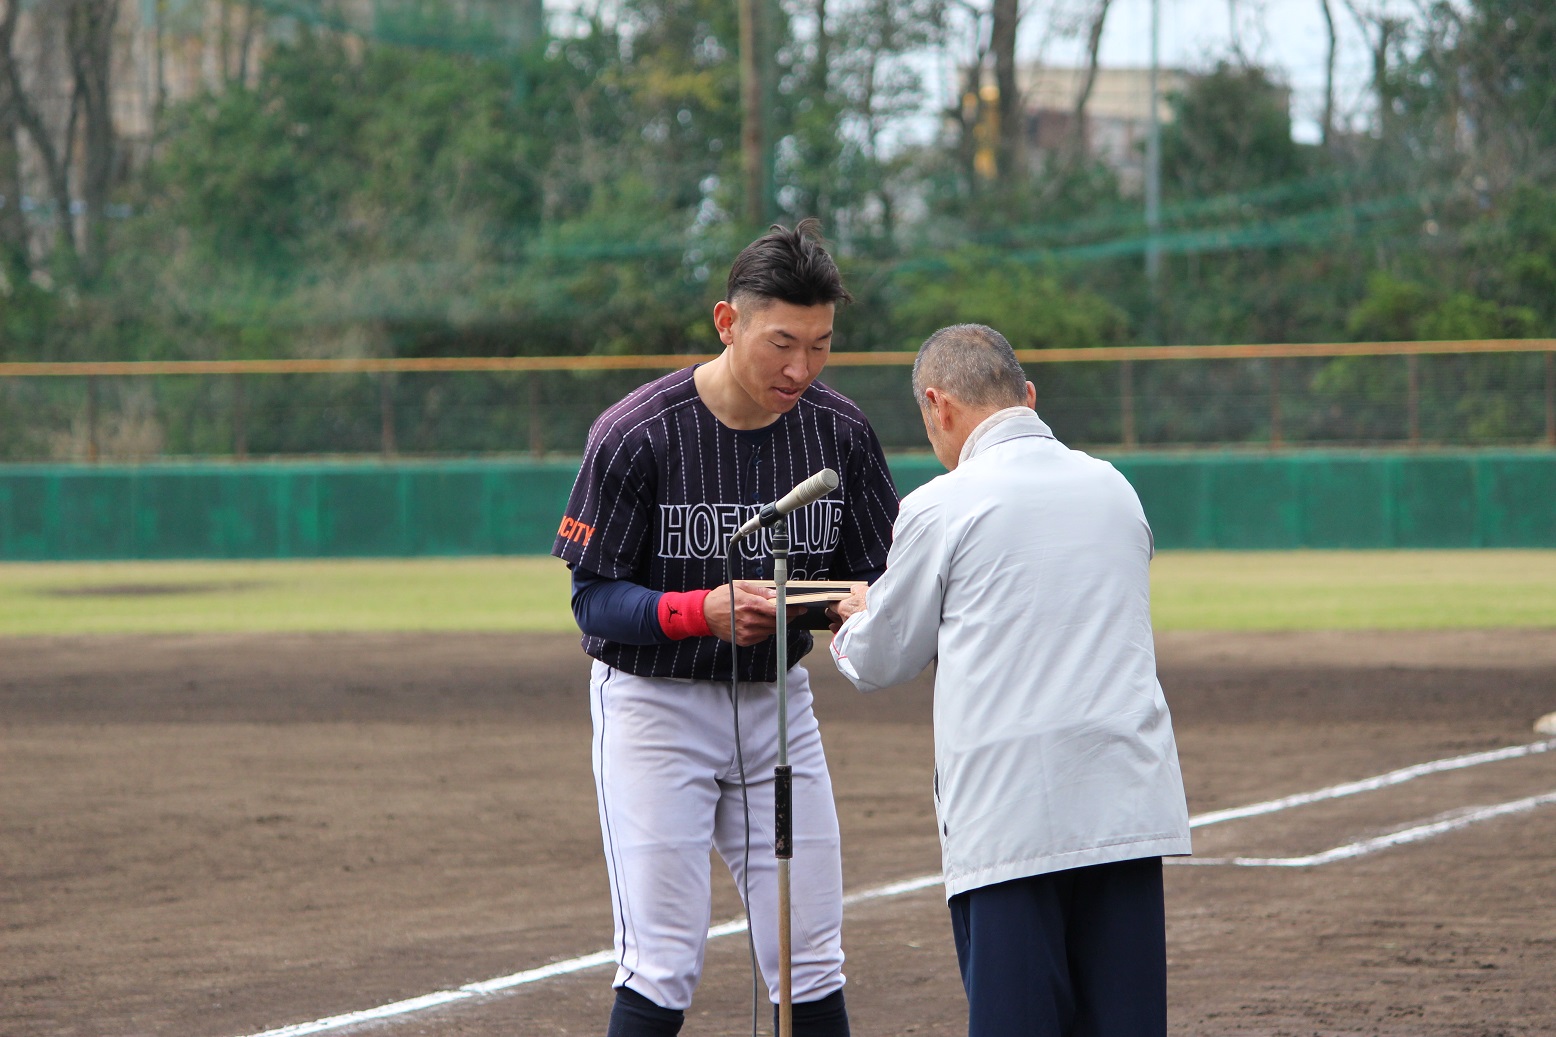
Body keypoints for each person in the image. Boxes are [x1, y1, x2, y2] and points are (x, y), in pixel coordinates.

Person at [552, 219, 899, 1037]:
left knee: (811, 956)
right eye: (782, 341)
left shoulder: (838, 433)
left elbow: (883, 576)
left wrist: (835, 602)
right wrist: (698, 609)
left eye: (820, 346)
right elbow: (592, 600)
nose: (800, 368)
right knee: (663, 960)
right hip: (653, 708)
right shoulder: (639, 432)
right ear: (727, 321)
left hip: (778, 707)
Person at [826, 323, 1191, 1037]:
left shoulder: (941, 503)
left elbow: (882, 656)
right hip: (1127, 804)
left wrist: (855, 617)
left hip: (1010, 819)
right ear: (1028, 395)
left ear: (939, 406)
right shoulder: (1115, 487)